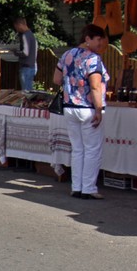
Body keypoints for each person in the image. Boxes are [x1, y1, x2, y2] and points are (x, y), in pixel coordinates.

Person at [53, 23, 108, 200]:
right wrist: (99, 109)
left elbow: (56, 79)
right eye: (98, 39)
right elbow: (95, 85)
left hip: (70, 107)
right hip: (88, 108)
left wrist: (72, 86)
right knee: (92, 149)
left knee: (77, 149)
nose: (101, 44)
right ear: (88, 39)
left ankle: (76, 187)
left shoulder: (67, 55)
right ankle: (89, 188)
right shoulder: (93, 59)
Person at [13, 17, 38, 91]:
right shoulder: (31, 35)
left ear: (20, 25)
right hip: (33, 65)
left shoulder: (25, 35)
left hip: (26, 67)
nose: (16, 29)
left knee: (26, 92)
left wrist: (16, 52)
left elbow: (25, 52)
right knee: (29, 90)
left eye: (16, 27)